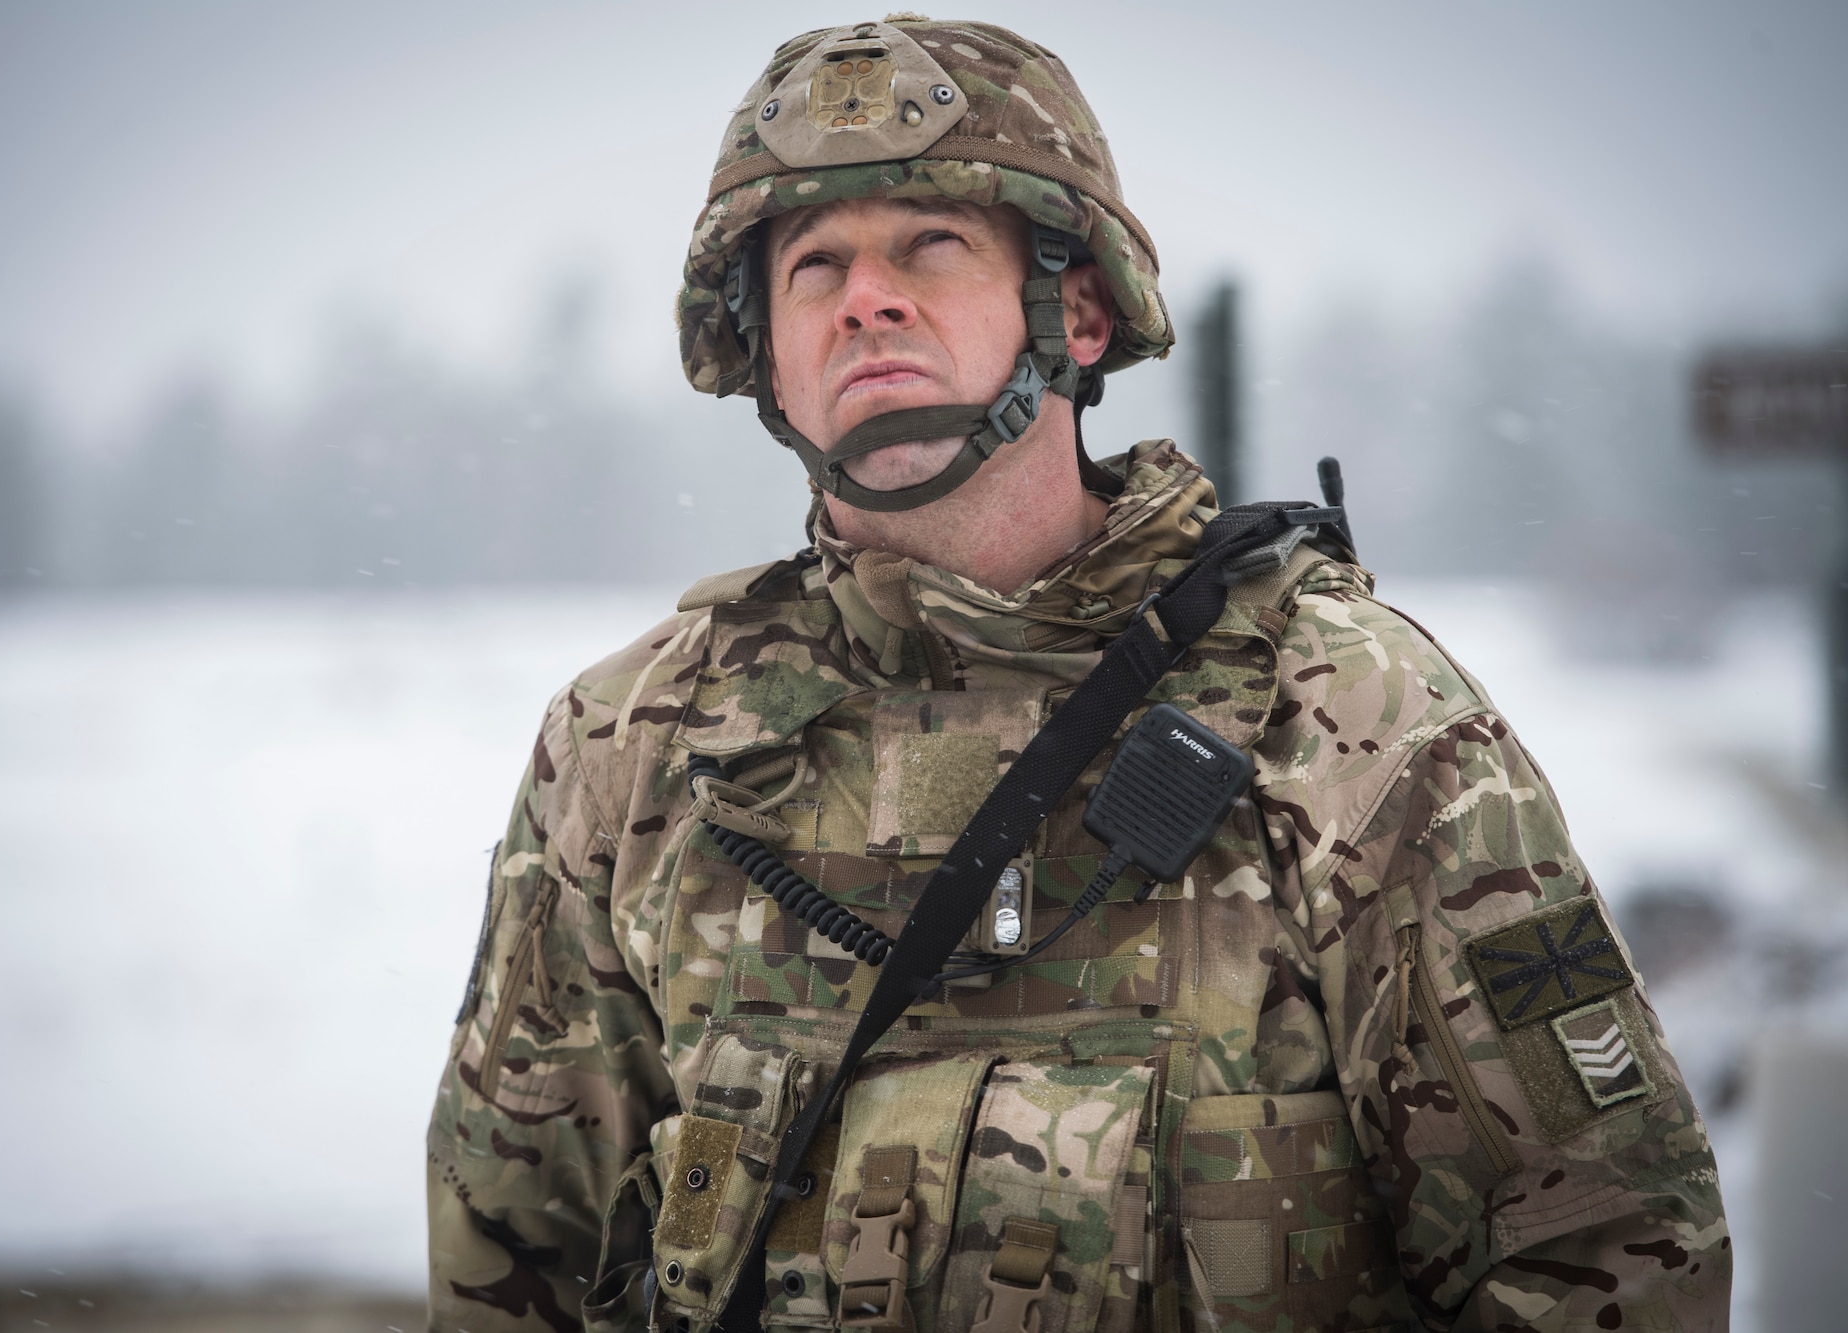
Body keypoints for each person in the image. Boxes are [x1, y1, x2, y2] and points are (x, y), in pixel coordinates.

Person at [425, 16, 1730, 1332]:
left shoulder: (1350, 719)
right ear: (768, 353)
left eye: (931, 246)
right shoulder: (637, 748)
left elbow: (1613, 1256)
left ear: (1081, 310)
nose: (867, 297)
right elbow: (511, 1249)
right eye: (815, 268)